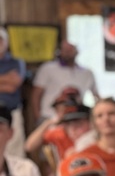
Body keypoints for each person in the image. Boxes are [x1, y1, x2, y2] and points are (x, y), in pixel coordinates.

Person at [31, 41, 100, 125]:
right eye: (65, 49)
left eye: (71, 49)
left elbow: (96, 96)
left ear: (77, 51)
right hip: (49, 116)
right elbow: (36, 94)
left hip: (76, 118)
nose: (68, 52)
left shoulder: (87, 73)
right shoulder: (48, 68)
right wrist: (38, 117)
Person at [0, 27, 28, 157]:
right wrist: (7, 78)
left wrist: (9, 82)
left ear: (6, 42)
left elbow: (14, 84)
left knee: (15, 147)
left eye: (0, 40)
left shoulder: (16, 62)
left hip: (12, 111)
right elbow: (10, 83)